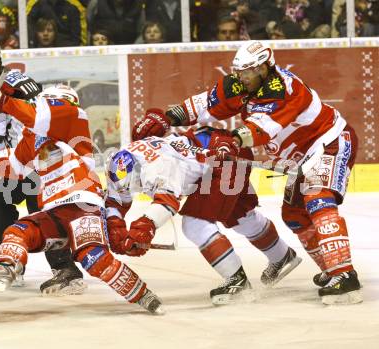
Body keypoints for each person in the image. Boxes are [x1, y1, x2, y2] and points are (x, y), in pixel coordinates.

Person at [131, 40, 362, 305]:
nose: (242, 77)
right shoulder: (238, 84)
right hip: (300, 158)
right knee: (295, 215)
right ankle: (331, 269)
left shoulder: (286, 90)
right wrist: (167, 117)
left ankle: (345, 276)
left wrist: (234, 140)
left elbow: (261, 128)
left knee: (318, 198)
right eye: (239, 71)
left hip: (329, 143)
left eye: (248, 71)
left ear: (265, 67)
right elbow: (202, 104)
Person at [0, 90, 164, 315]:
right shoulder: (33, 140)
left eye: (46, 103)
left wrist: (4, 102)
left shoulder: (72, 116)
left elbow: (39, 116)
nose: (42, 106)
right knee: (18, 231)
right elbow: (10, 165)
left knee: (94, 259)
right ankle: (5, 267)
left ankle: (144, 296)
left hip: (82, 206)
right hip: (53, 212)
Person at [106, 124, 301, 305]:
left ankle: (237, 281)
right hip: (212, 156)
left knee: (195, 223)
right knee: (240, 216)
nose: (135, 189)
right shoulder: (121, 165)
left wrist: (143, 229)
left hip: (221, 159)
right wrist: (116, 230)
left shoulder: (159, 166)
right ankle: (282, 256)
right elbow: (115, 200)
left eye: (135, 184)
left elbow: (167, 203)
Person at [0, 35, 85, 296]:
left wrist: (9, 96)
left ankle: (66, 270)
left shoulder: (10, 80)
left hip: (40, 158)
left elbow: (32, 100)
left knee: (40, 207)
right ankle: (9, 265)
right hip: (24, 160)